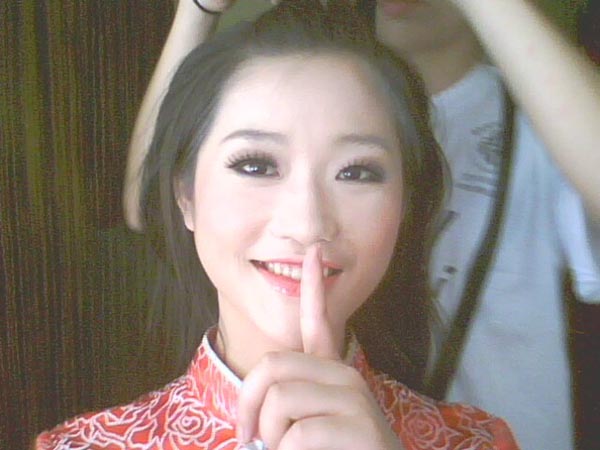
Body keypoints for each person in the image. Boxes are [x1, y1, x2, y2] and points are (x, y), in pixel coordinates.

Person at [35, 1, 520, 449]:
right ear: (186, 195)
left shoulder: (476, 441)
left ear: (406, 205)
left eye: (356, 172)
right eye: (256, 165)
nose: (308, 224)